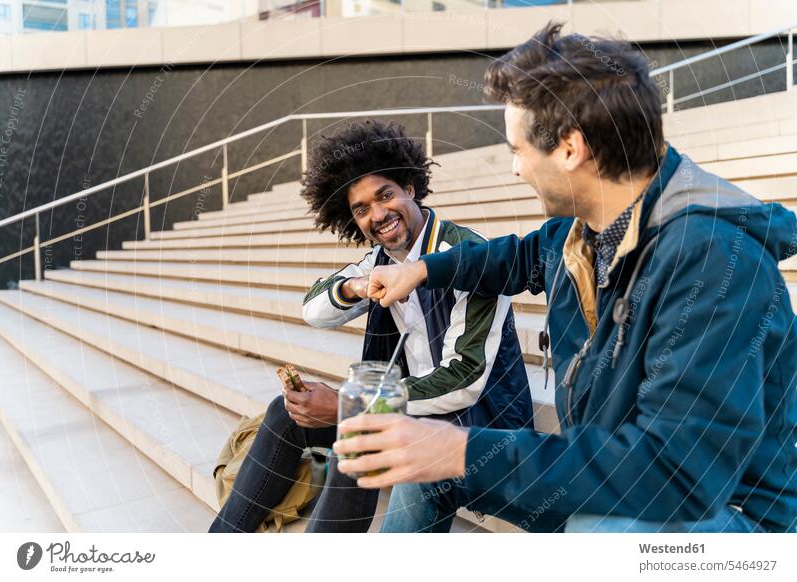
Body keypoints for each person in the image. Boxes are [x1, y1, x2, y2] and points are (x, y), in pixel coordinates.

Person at [334, 23, 797, 533]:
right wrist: (420, 270)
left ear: (570, 149)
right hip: (610, 469)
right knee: (426, 471)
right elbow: (510, 259)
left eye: (518, 150)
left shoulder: (713, 261)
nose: (515, 170)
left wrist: (461, 448)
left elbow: (678, 476)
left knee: (598, 534)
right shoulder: (578, 232)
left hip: (729, 512)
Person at [209, 120, 533, 533]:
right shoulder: (379, 261)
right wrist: (359, 286)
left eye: (385, 195)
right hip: (413, 407)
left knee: (361, 431)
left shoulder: (470, 257)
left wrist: (351, 404)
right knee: (285, 413)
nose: (378, 215)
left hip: (478, 422)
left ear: (410, 188)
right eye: (361, 209)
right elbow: (314, 309)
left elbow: (464, 379)